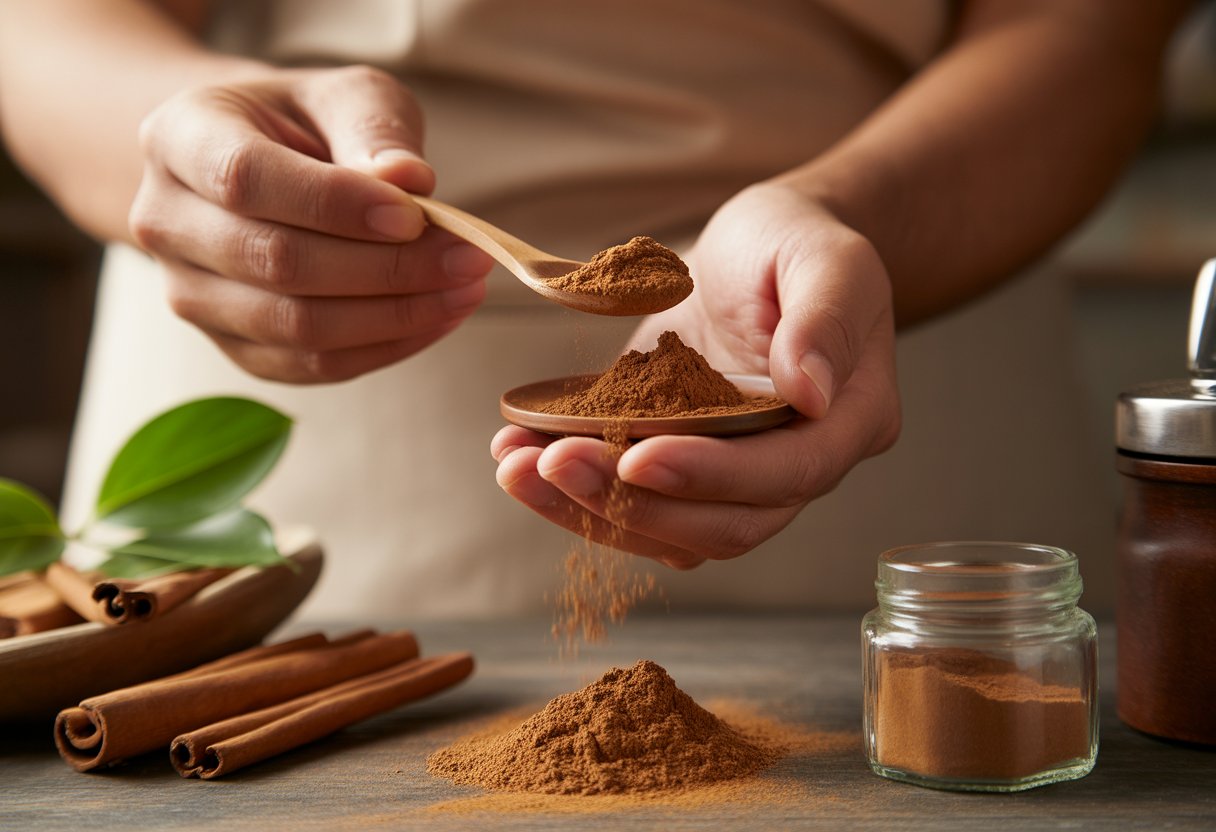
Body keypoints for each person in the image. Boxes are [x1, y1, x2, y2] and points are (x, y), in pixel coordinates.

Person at [0, 0, 1190, 619]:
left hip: (895, 301)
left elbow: (1089, 26)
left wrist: (843, 210)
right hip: (282, 395)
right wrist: (187, 151)